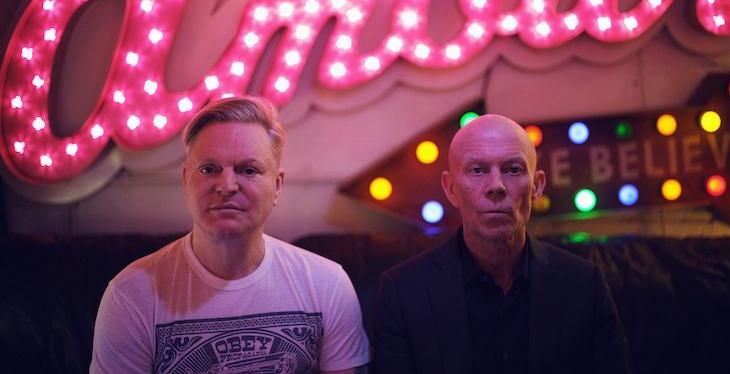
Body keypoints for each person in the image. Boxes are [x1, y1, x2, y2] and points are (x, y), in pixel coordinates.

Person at [91, 96, 369, 374]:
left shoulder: (328, 285)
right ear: (186, 179)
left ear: (277, 186)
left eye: (248, 170)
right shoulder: (131, 295)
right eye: (209, 169)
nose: (226, 186)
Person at [372, 114, 632, 374]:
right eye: (477, 170)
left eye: (513, 169)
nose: (496, 186)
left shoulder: (584, 285)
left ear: (537, 187)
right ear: (451, 188)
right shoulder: (403, 293)